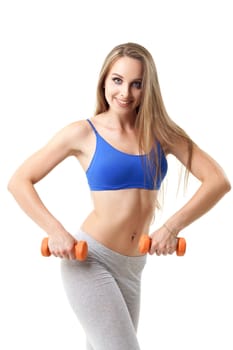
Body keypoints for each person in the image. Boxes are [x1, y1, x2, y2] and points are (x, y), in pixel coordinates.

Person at [8, 42, 231, 350]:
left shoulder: (162, 134)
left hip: (133, 267)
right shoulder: (83, 133)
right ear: (104, 81)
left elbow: (218, 181)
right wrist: (55, 231)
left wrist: (171, 227)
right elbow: (20, 180)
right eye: (117, 80)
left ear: (147, 88)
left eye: (136, 84)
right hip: (90, 259)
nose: (125, 93)